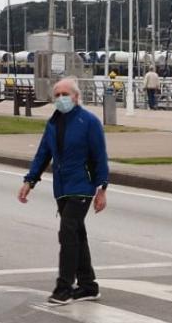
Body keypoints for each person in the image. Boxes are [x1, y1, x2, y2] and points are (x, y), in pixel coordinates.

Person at [18, 77, 110, 306]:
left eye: (65, 94)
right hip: (62, 187)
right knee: (77, 235)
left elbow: (100, 156)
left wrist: (102, 189)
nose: (61, 99)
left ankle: (64, 288)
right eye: (57, 95)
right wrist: (30, 181)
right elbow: (43, 154)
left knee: (68, 233)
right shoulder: (53, 123)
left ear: (76, 97)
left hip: (82, 186)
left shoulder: (89, 122)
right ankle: (88, 286)